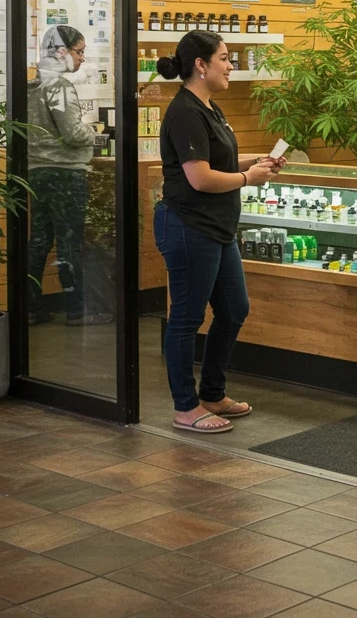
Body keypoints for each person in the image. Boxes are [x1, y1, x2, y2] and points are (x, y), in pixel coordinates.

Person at [154, 30, 284, 434]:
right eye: (225, 58)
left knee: (234, 309)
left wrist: (255, 160)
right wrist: (249, 177)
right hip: (189, 227)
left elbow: (217, 158)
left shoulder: (209, 106)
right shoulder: (185, 112)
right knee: (187, 318)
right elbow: (200, 178)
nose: (231, 66)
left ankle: (213, 393)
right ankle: (185, 406)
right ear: (201, 65)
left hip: (217, 228)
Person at [27, 26, 113, 327]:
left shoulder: (33, 84)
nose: (82, 58)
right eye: (79, 51)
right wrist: (94, 131)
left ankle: (31, 308)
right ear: (62, 51)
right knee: (68, 243)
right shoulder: (59, 86)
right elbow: (73, 133)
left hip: (36, 173)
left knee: (38, 241)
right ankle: (78, 309)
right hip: (64, 173)